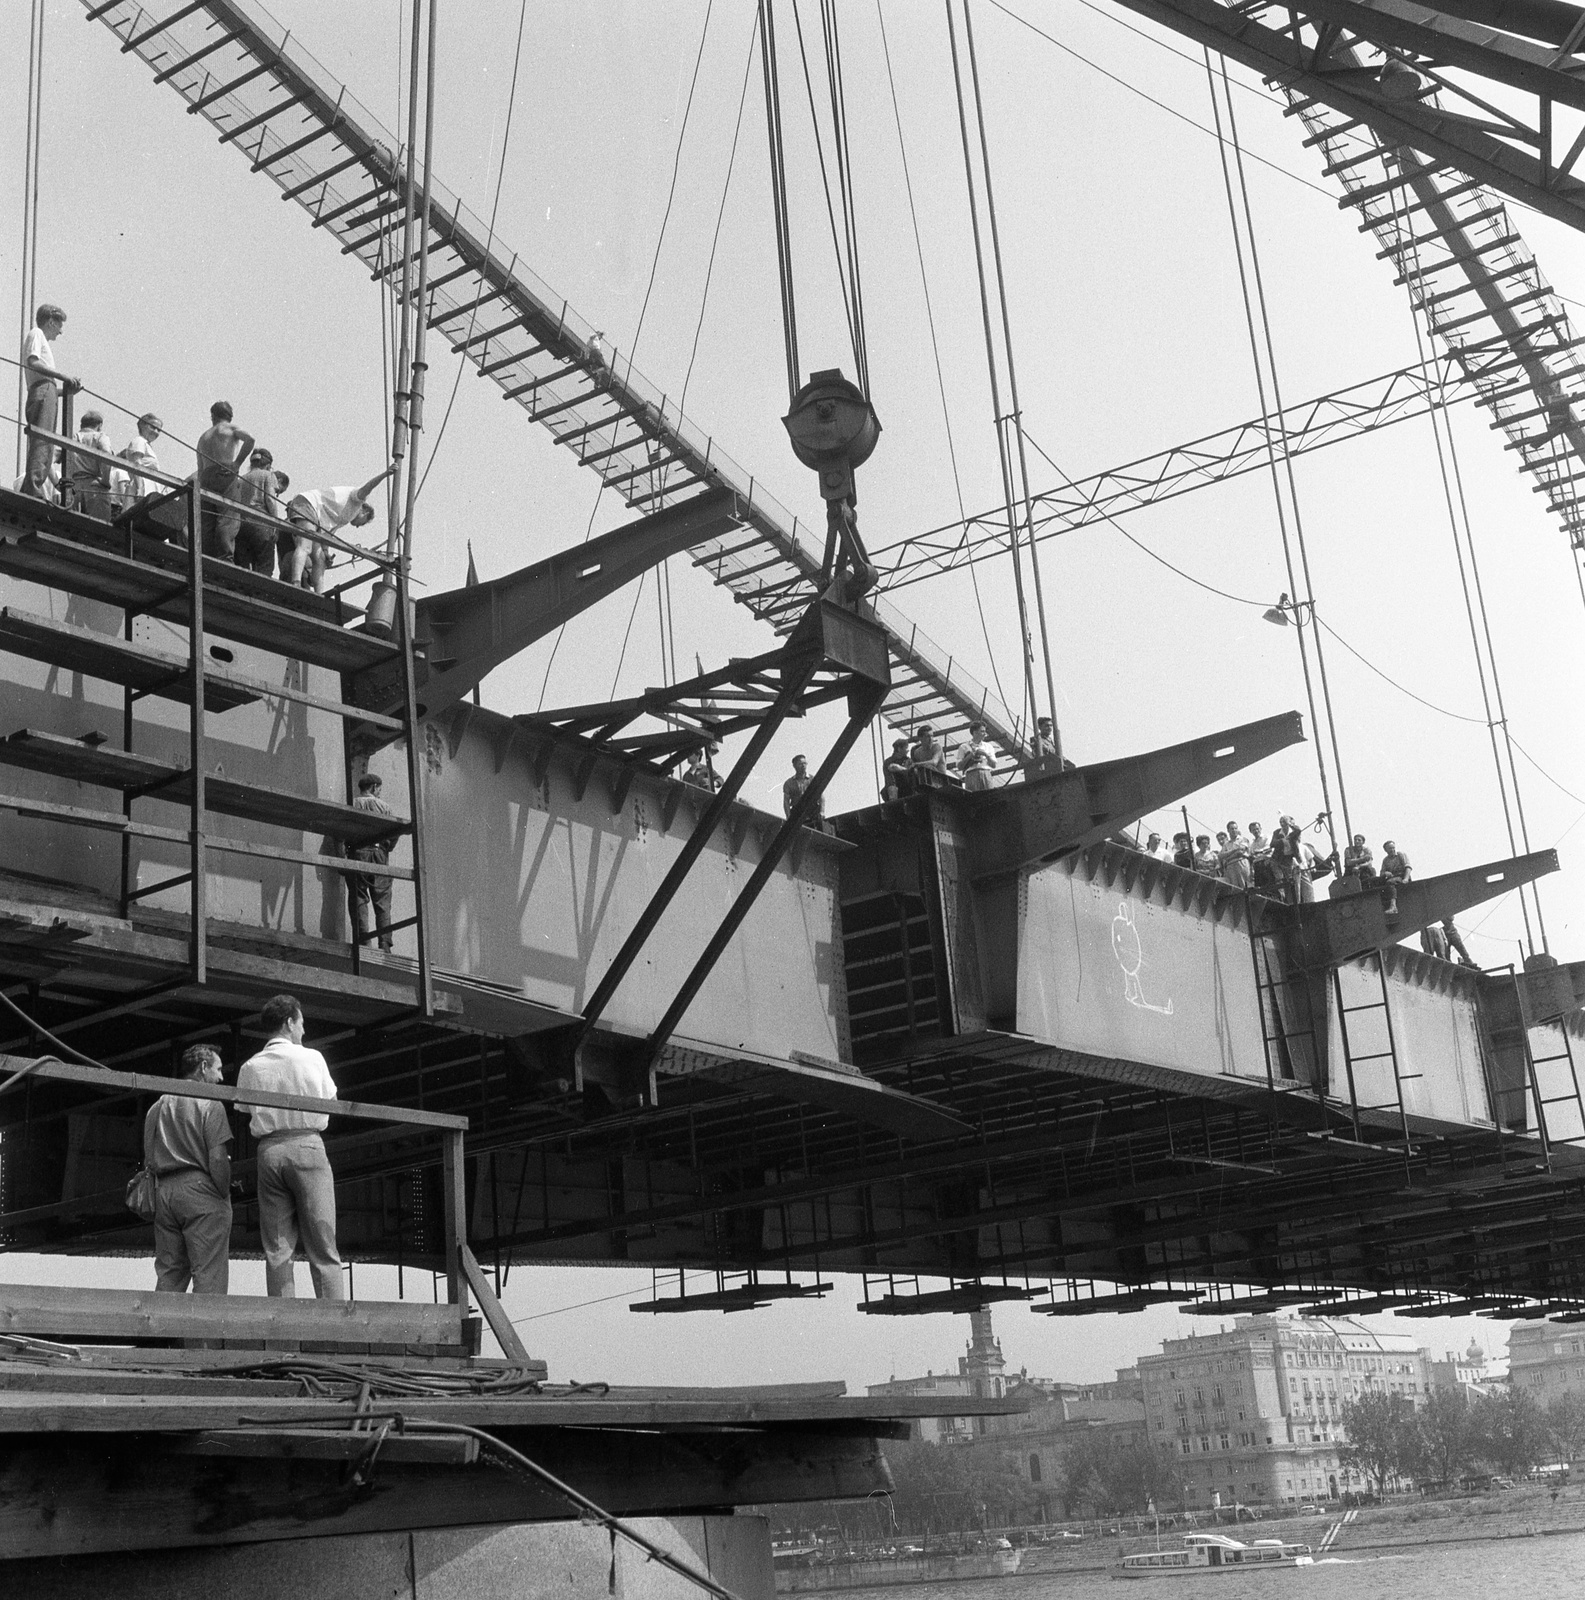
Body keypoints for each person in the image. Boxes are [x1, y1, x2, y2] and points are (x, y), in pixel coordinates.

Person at [237, 993, 345, 1300]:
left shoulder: (251, 1066)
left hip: (269, 1150)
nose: (303, 1031)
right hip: (307, 1144)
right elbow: (331, 1102)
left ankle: (283, 1327)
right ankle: (334, 1324)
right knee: (323, 1242)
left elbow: (244, 1109)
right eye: (301, 1023)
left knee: (277, 1247)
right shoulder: (312, 1058)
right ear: (289, 1023)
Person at [143, 1043, 233, 1295]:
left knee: (170, 1273)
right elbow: (217, 1159)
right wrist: (223, 1193)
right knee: (209, 1276)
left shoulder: (157, 1106)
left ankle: (162, 1333)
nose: (221, 1077)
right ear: (203, 1068)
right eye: (218, 1069)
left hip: (164, 1192)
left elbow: (149, 1156)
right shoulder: (211, 1105)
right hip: (201, 1192)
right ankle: (203, 1336)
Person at [283, 465, 396, 591]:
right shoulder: (357, 500)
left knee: (320, 559)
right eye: (362, 523)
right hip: (308, 504)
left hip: (315, 516)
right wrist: (385, 474)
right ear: (364, 512)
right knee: (305, 546)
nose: (358, 526)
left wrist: (326, 553)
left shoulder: (343, 518)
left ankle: (320, 594)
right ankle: (296, 582)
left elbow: (327, 535)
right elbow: (368, 487)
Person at [20, 303, 79, 501]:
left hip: (46, 391)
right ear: (51, 322)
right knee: (42, 441)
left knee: (46, 442)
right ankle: (34, 488)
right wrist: (63, 375)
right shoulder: (37, 333)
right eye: (59, 325)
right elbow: (33, 361)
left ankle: (34, 485)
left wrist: (67, 391)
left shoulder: (40, 338)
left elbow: (47, 385)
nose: (60, 331)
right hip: (44, 391)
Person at [195, 401, 255, 559]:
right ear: (229, 416)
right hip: (225, 471)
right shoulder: (230, 428)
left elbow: (200, 467)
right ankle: (225, 558)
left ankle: (205, 557)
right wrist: (237, 464)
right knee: (228, 516)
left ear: (212, 416)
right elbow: (250, 440)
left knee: (207, 518)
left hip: (206, 476)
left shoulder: (203, 437)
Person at [346, 773, 396, 951]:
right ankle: (385, 944)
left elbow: (339, 832)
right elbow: (394, 834)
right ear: (374, 788)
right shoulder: (384, 807)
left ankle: (363, 942)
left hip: (357, 853)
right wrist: (385, 848)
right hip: (378, 854)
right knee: (382, 900)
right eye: (379, 789)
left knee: (359, 897)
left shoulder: (352, 803)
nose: (380, 792)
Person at [234, 447, 284, 575]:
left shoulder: (241, 479)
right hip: (261, 524)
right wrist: (275, 524)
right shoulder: (268, 475)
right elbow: (270, 499)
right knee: (264, 566)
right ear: (268, 465)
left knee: (243, 565)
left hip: (241, 524)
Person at [67, 409, 116, 519]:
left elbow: (50, 459)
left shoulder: (71, 438)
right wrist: (105, 481)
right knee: (100, 527)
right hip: (94, 486)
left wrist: (57, 484)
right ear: (99, 425)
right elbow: (106, 456)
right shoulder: (100, 437)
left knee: (72, 524)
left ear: (82, 425)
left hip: (73, 487)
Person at [115, 412, 163, 505]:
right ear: (143, 426)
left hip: (150, 485)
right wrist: (139, 488)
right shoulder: (139, 441)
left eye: (159, 430)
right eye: (153, 427)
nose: (156, 432)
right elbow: (137, 463)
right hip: (142, 484)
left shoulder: (147, 445)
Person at [783, 753, 823, 824]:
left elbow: (821, 796)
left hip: (813, 813)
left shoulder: (812, 779)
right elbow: (786, 801)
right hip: (797, 815)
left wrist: (822, 811)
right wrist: (788, 817)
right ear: (794, 766)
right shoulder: (789, 783)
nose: (803, 765)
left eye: (805, 763)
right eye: (800, 764)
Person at [957, 720, 994, 793]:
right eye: (982, 731)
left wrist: (985, 755)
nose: (985, 734)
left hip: (986, 773)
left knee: (990, 796)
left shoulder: (988, 746)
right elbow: (959, 766)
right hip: (971, 774)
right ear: (975, 732)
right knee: (975, 798)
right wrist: (970, 756)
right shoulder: (964, 747)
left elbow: (994, 764)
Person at [1380, 839, 1411, 917]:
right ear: (1386, 850)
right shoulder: (1385, 860)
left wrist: (1406, 879)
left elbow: (1408, 867)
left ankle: (1393, 906)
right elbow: (1381, 873)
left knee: (1389, 882)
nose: (1392, 850)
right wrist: (1385, 873)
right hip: (1394, 878)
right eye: (1390, 848)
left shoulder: (1401, 855)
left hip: (1402, 876)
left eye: (1393, 847)